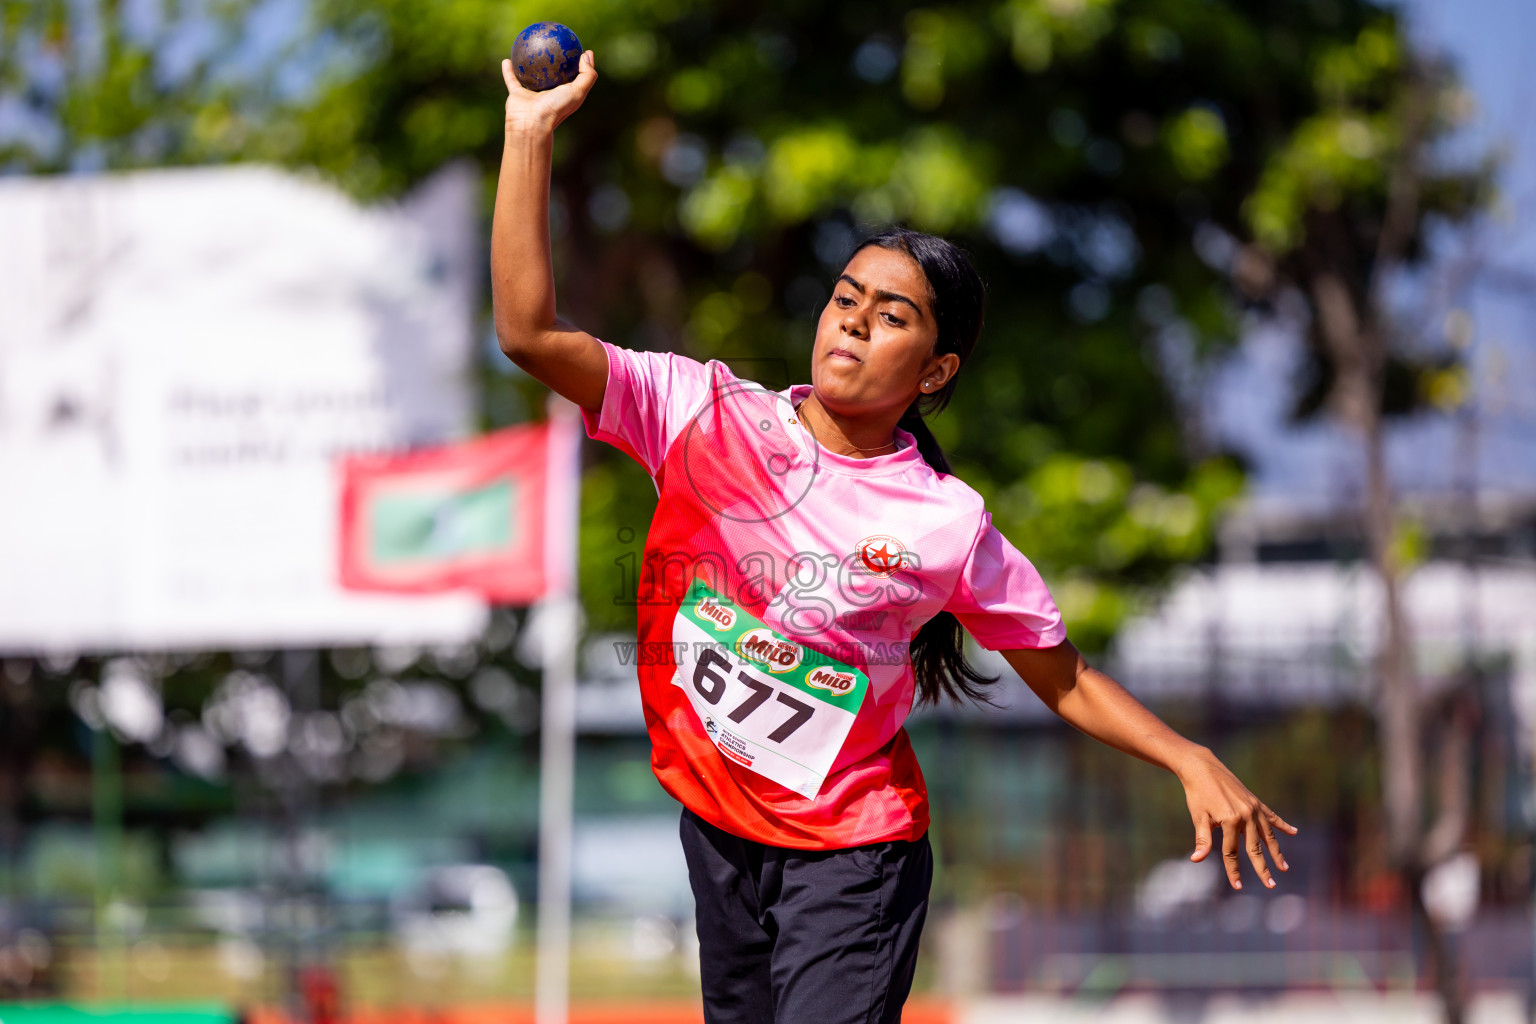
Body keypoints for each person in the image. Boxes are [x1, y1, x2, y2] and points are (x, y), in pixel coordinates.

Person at [493, 49, 1296, 1024]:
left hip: (854, 857)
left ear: (936, 368)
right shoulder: (702, 414)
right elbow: (530, 334)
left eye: (893, 317)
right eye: (845, 299)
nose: (854, 325)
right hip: (717, 829)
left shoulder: (944, 522)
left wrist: (1187, 757)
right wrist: (529, 136)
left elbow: (1065, 675)